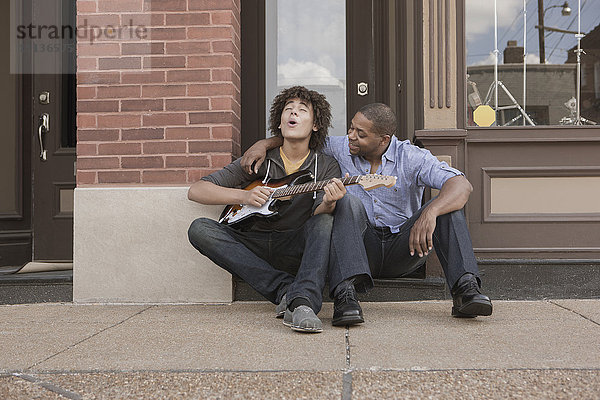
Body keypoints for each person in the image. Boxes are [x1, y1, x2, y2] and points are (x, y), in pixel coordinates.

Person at [241, 103, 493, 325]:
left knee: (449, 208)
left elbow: (462, 184)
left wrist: (431, 212)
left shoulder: (412, 156)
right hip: (361, 248)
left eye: (360, 134)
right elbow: (303, 138)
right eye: (351, 128)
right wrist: (263, 144)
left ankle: (465, 290)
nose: (350, 136)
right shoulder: (342, 147)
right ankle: (345, 295)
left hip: (404, 248)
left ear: (384, 139)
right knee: (348, 202)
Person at [188, 86, 354, 333]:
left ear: (316, 124)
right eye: (288, 109)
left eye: (301, 110)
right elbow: (197, 190)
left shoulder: (325, 165)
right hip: (252, 242)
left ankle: (303, 302)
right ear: (280, 121)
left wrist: (329, 202)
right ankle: (283, 289)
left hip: (293, 244)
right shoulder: (258, 159)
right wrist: (244, 195)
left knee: (325, 222)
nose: (293, 114)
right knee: (200, 229)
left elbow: (320, 212)